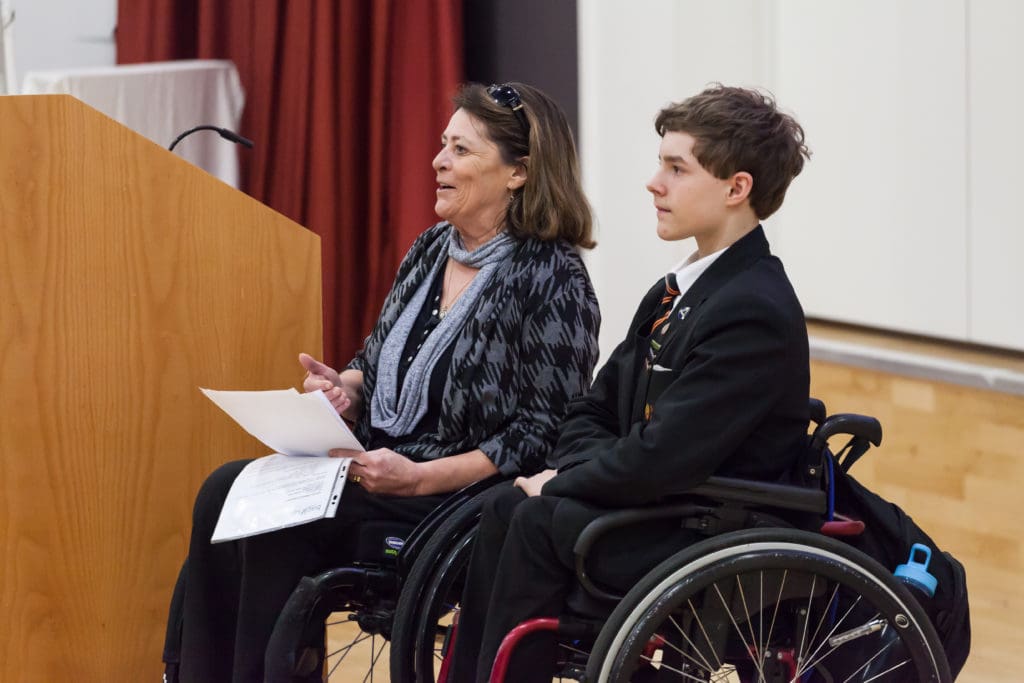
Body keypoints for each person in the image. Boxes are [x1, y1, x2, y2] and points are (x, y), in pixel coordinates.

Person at [165, 82, 601, 683]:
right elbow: (375, 360)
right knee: (226, 490)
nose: (438, 161)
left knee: (276, 520)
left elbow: (541, 435)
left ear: (518, 173)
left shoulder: (552, 279)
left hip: (451, 497)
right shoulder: (429, 251)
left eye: (461, 150)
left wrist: (420, 477)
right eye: (442, 145)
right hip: (377, 467)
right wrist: (343, 387)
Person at [448, 84, 813, 683]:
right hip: (666, 502)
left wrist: (567, 478)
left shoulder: (755, 309)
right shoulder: (676, 291)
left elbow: (667, 455)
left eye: (677, 168)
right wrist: (572, 468)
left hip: (711, 525)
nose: (654, 183)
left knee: (536, 518)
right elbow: (593, 408)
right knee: (506, 504)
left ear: (736, 188)